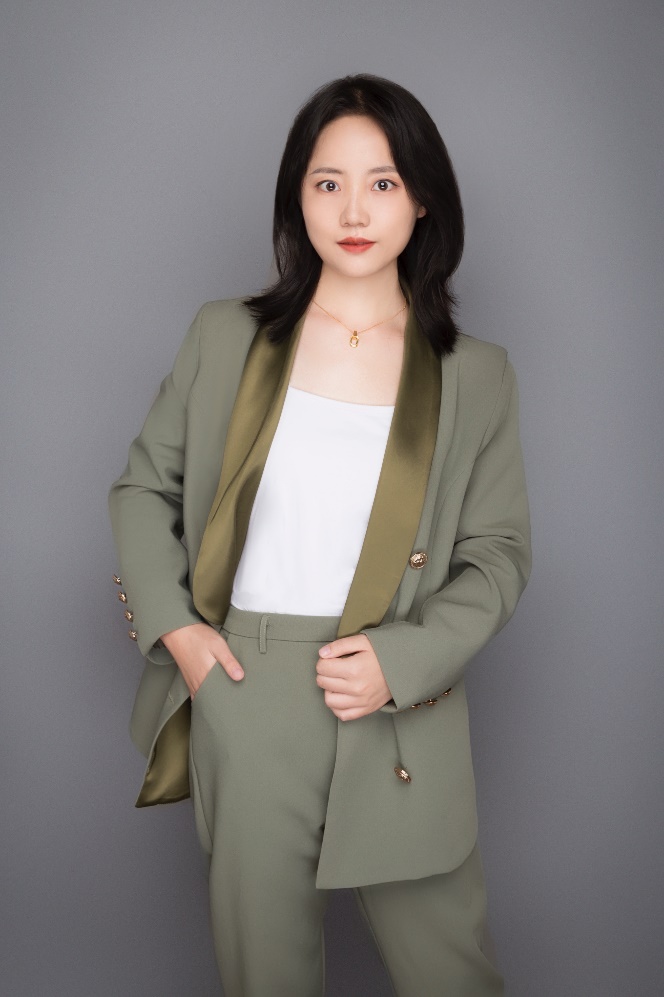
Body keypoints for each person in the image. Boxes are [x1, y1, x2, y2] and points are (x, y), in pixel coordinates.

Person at [108, 73, 531, 996]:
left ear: (423, 199)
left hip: (397, 703)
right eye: (327, 181)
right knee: (266, 975)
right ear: (296, 197)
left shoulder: (477, 375)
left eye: (383, 182)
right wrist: (181, 635)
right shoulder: (226, 336)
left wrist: (403, 659)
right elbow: (143, 488)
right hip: (247, 689)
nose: (353, 210)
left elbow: (498, 555)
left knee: (451, 972)